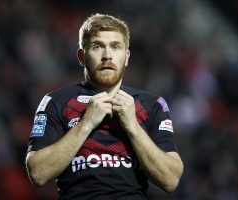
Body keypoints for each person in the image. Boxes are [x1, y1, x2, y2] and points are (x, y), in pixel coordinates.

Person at [25, 13, 184, 200]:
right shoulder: (56, 101)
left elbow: (170, 180)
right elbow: (38, 173)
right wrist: (86, 124)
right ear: (81, 56)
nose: (107, 55)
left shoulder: (152, 105)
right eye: (97, 46)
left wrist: (132, 126)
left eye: (115, 47)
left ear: (126, 57)